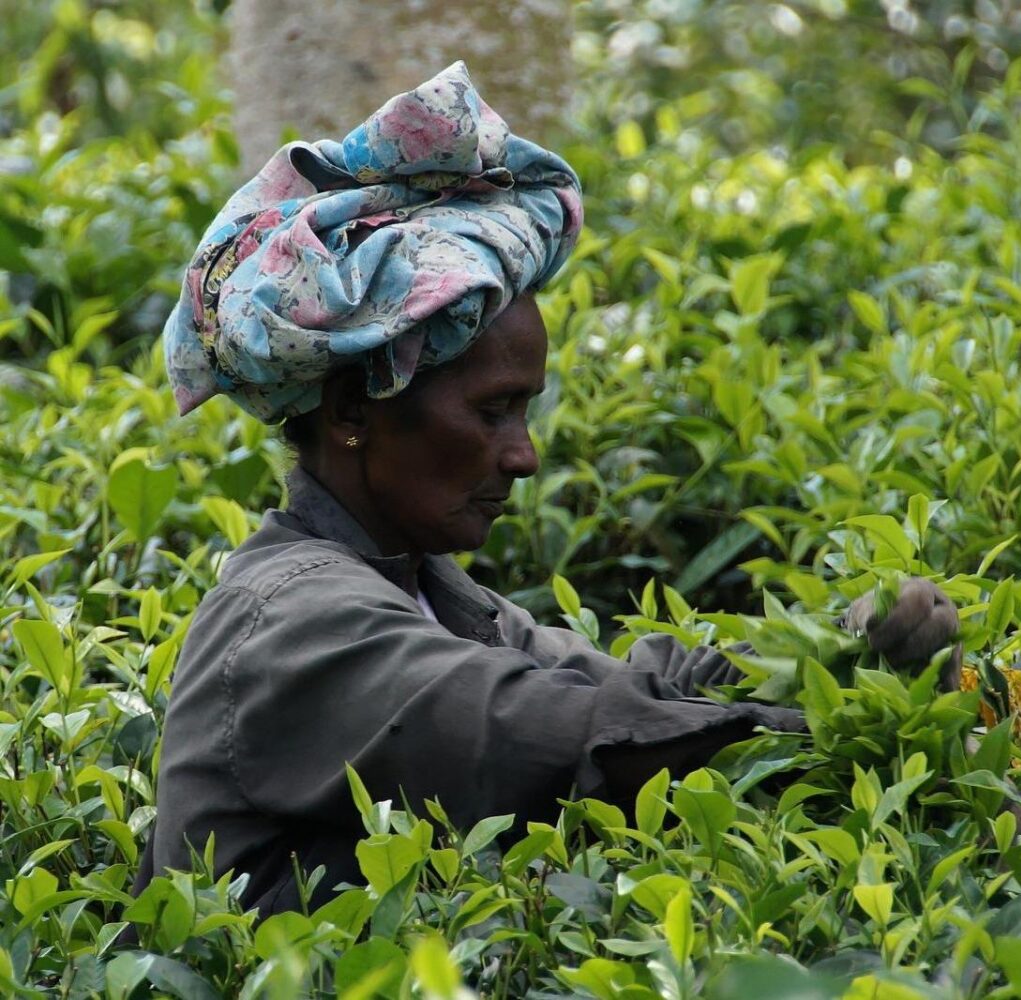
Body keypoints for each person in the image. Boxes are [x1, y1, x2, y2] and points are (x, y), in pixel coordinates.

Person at [148, 63, 959, 915]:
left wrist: (847, 647)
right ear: (355, 407)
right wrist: (834, 729)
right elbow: (551, 732)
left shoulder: (429, 594)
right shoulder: (293, 620)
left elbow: (634, 681)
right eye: (494, 412)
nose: (523, 456)